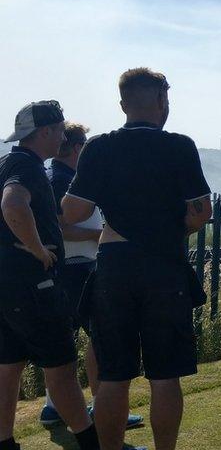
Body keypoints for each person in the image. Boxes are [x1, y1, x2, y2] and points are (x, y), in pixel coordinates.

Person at [62, 68, 212, 450]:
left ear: (123, 104)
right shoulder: (180, 147)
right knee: (165, 376)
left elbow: (73, 210)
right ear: (163, 101)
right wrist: (168, 228)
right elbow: (201, 213)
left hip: (115, 266)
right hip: (166, 267)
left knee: (113, 375)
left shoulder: (98, 148)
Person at [0, 101, 146, 450]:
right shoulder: (27, 168)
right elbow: (13, 203)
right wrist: (37, 249)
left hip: (7, 285)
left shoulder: (7, 163)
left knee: (8, 366)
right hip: (34, 284)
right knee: (61, 368)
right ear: (46, 132)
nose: (64, 137)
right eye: (60, 130)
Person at [39, 122, 144, 431]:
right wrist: (99, 233)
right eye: (82, 142)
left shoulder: (57, 177)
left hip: (69, 267)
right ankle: (102, 408)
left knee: (66, 339)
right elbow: (59, 228)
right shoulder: (61, 179)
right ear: (73, 147)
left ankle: (54, 405)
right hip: (76, 267)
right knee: (101, 338)